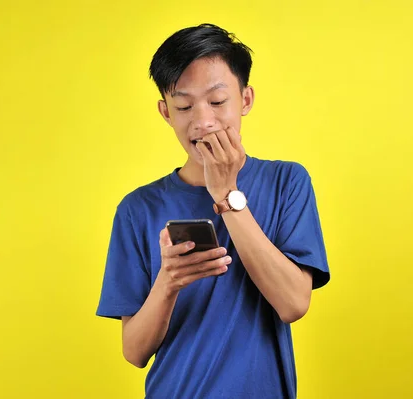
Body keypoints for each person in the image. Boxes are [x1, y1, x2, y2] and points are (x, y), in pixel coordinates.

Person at [96, 23, 330, 399]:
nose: (202, 121)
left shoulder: (287, 181)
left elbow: (293, 303)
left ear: (246, 99)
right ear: (166, 112)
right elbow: (134, 351)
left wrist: (227, 194)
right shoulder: (137, 209)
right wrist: (168, 282)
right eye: (184, 106)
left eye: (218, 102)